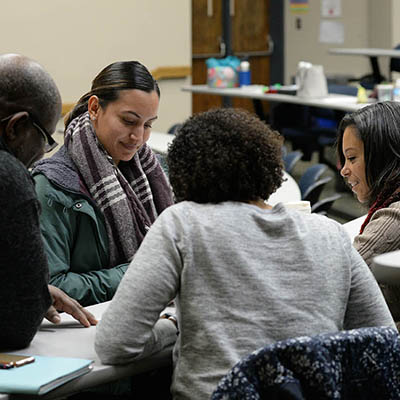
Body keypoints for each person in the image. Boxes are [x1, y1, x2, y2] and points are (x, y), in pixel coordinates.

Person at [95, 108, 395, 400]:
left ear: (183, 173)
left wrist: (172, 330)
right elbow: (383, 343)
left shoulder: (181, 224)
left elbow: (115, 343)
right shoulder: (329, 233)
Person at [32, 61, 173, 306]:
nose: (138, 137)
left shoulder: (155, 170)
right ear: (95, 108)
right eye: (129, 121)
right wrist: (141, 273)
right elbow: (54, 286)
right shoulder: (53, 186)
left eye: (148, 124)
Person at [0, 53, 97, 350]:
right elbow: (18, 326)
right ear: (16, 127)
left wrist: (36, 291)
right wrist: (32, 297)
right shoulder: (9, 177)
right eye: (44, 138)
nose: (44, 152)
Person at [337, 101, 400, 320]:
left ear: (383, 156)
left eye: (352, 158)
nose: (344, 170)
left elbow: (336, 277)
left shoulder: (395, 219)